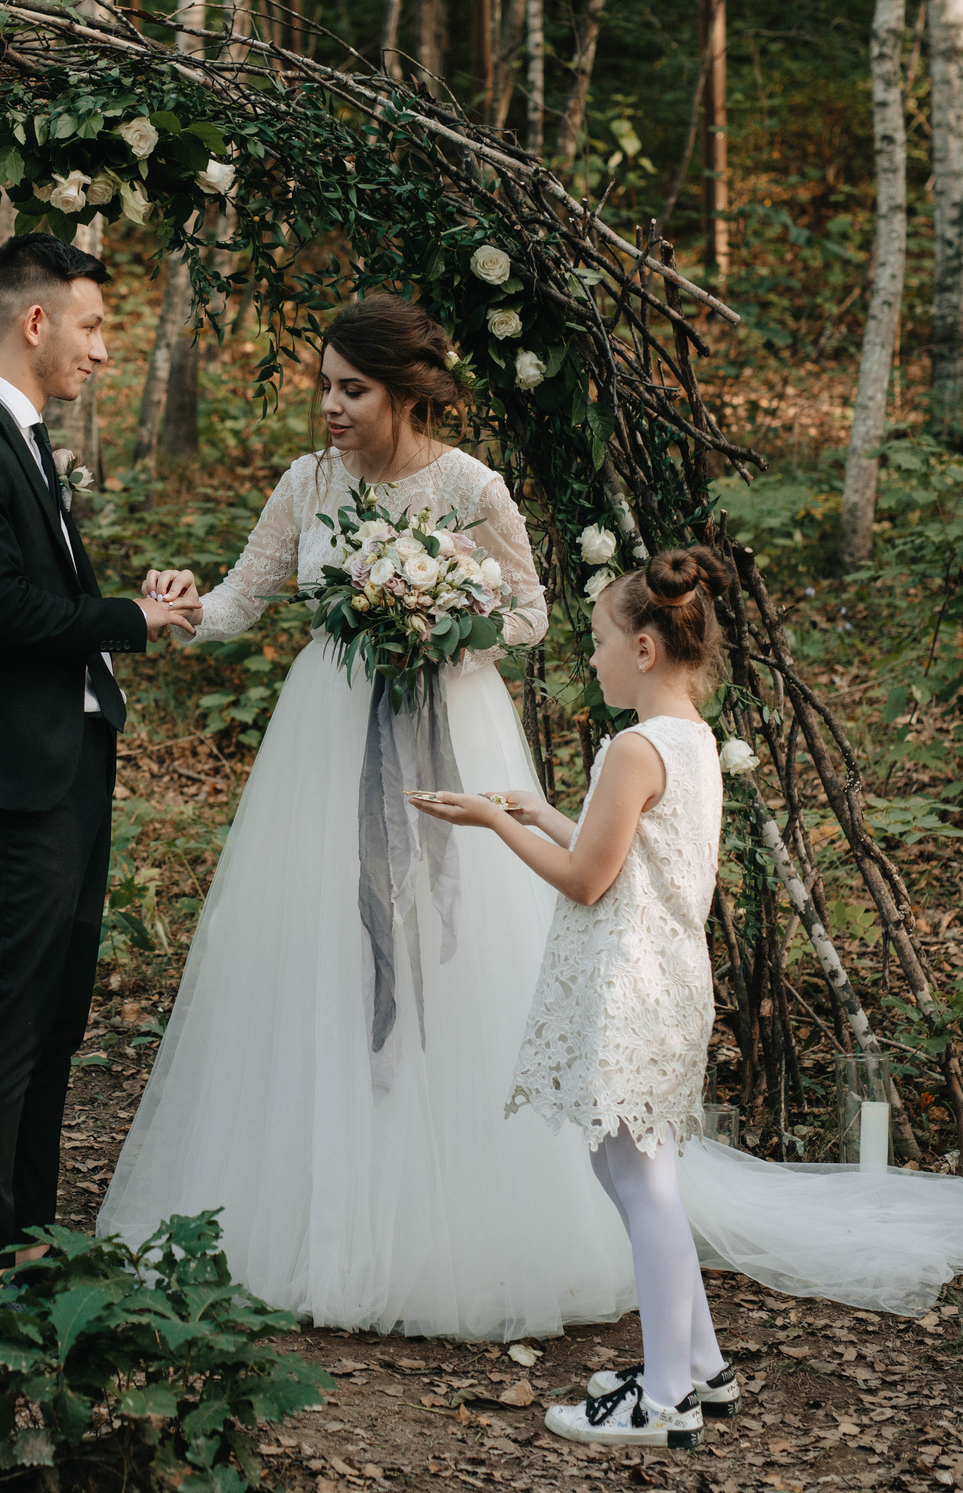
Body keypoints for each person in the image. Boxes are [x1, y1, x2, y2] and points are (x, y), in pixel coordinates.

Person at [96, 296, 640, 1338]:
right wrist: (176, 605)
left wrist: (439, 621)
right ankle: (326, 1201)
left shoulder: (470, 486)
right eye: (324, 388)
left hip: (450, 725)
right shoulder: (306, 483)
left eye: (353, 389)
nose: (331, 408)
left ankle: (455, 1206)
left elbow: (529, 614)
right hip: (330, 737)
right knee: (329, 949)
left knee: (453, 949)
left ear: (405, 392)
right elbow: (239, 600)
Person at [0, 232, 200, 1272]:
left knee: (55, 1018)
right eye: (92, 325)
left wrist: (126, 606)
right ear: (35, 322)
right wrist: (126, 617)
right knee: (5, 1019)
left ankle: (30, 1239)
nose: (102, 349)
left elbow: (45, 599)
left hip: (69, 765)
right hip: (13, 779)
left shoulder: (23, 440)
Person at [414, 548, 737, 1447]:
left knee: (640, 1177)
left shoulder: (635, 747)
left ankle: (665, 1398)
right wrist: (539, 811)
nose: (590, 658)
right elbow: (625, 855)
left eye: (598, 641)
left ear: (644, 648)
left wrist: (491, 823)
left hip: (632, 985)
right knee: (629, 1167)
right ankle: (702, 1365)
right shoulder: (690, 737)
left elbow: (587, 881)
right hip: (669, 978)